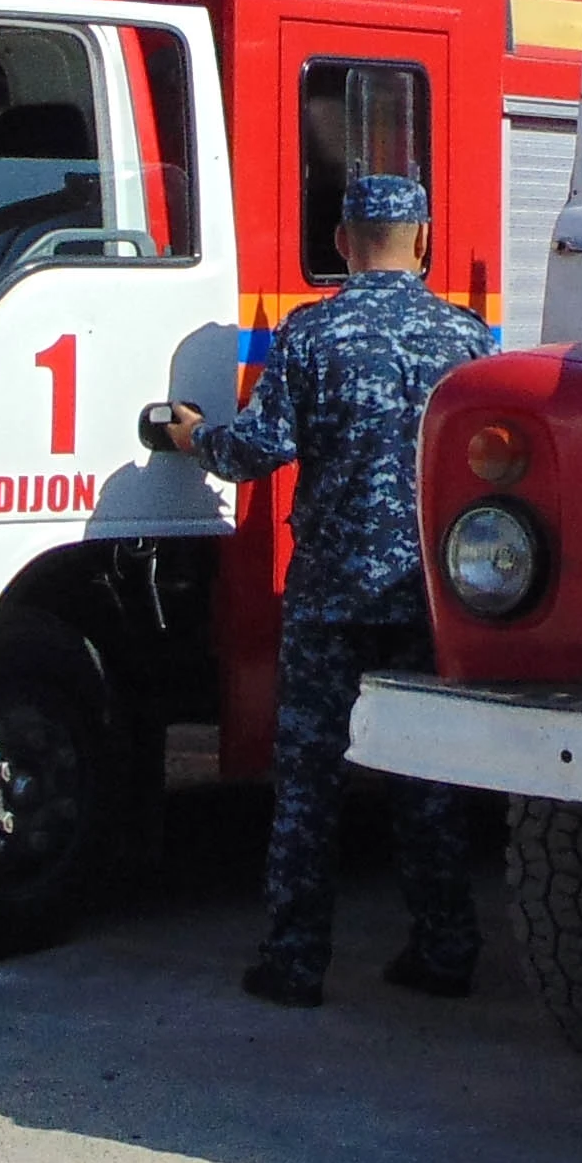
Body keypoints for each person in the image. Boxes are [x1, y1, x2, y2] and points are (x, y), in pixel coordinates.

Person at [144, 172, 497, 1009]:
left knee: (308, 783)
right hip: (428, 600)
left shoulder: (311, 334)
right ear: (422, 241)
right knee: (428, 778)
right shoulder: (470, 340)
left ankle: (296, 963)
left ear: (342, 242)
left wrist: (194, 437)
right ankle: (445, 950)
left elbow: (255, 452)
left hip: (330, 599)